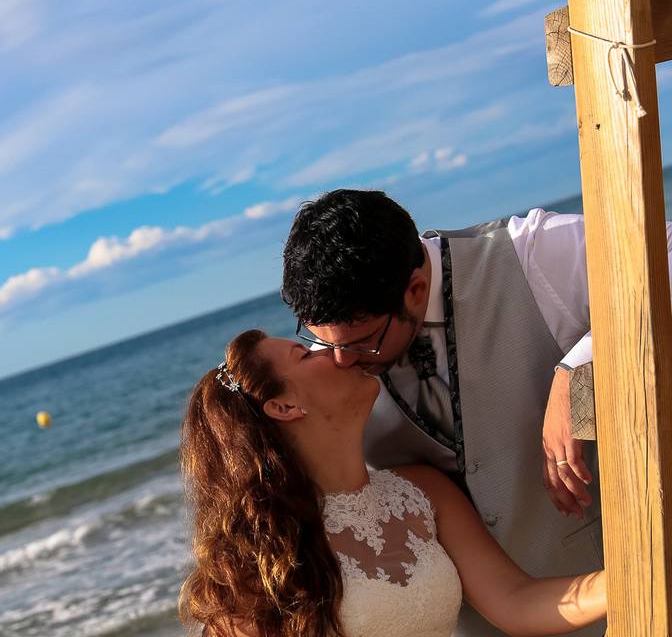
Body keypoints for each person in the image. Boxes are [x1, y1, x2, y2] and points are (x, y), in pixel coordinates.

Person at [279, 189, 672, 635]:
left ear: (415, 289)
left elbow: (664, 263)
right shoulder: (332, 365)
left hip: (639, 595)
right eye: (323, 342)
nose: (340, 361)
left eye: (360, 343)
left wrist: (578, 378)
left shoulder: (529, 253)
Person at [178, 329, 606, 637]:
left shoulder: (423, 492)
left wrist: (629, 575)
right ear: (285, 406)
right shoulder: (256, 563)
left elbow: (517, 601)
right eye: (306, 354)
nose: (334, 351)